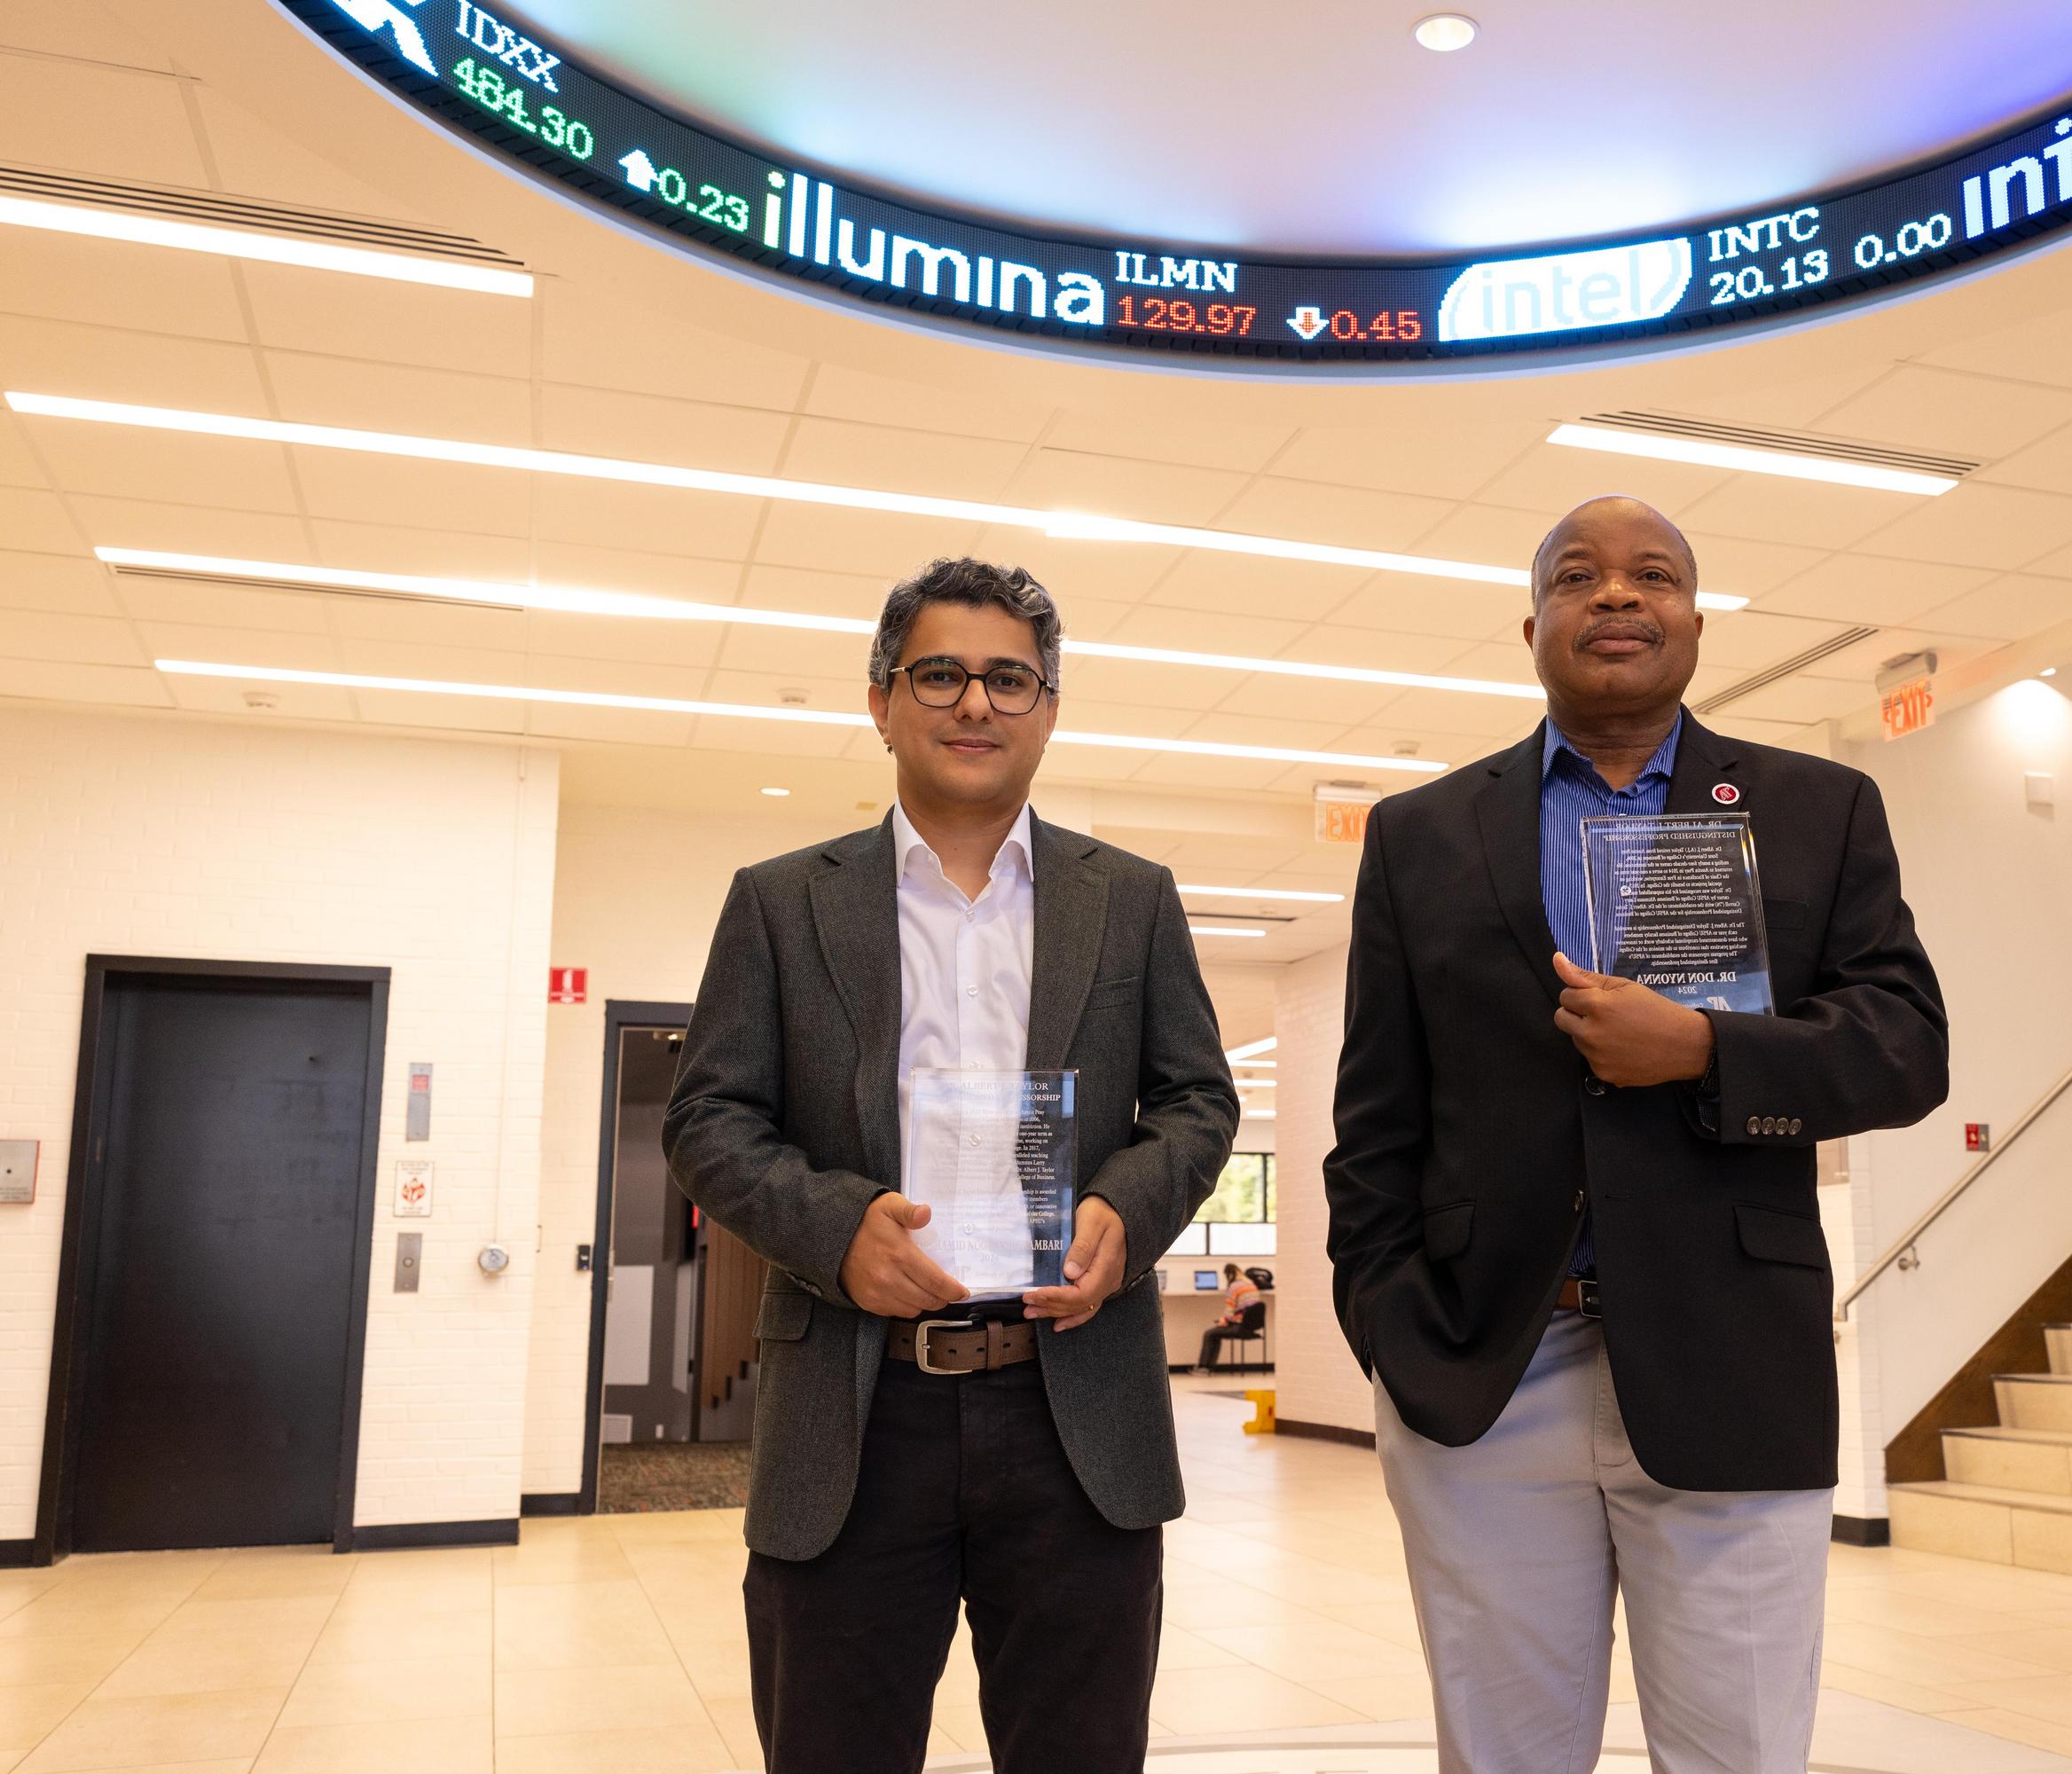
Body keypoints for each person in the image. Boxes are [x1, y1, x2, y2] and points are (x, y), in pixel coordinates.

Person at [1324, 497, 1947, 1774]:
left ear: (1697, 624)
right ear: (1533, 625)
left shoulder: (1816, 809)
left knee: (1738, 1753)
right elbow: (1376, 1122)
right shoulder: (1422, 836)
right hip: (1487, 1372)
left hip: (1733, 1365)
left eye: (1651, 575)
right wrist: (1389, 1327)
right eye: (1579, 577)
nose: (1616, 596)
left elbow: (1907, 1046)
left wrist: (1712, 1051)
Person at [663, 557, 1238, 1774]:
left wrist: (1121, 1216)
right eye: (940, 673)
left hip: (1074, 1408)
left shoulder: (1129, 900)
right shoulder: (780, 904)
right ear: (880, 702)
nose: (976, 703)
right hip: (858, 1417)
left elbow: (1197, 1102)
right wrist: (838, 1228)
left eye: (1009, 679)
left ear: (1049, 707)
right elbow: (709, 1120)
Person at [1192, 1261, 1262, 1373]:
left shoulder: (1234, 1287)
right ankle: (1208, 1367)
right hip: (1252, 1327)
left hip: (1240, 1326)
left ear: (1228, 1275)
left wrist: (1223, 1321)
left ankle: (1203, 1367)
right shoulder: (1251, 1284)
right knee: (1215, 1334)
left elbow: (1230, 1314)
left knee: (1209, 1333)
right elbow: (1246, 1310)